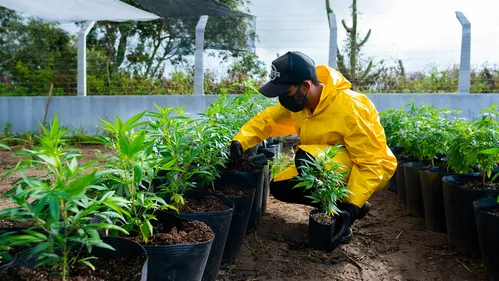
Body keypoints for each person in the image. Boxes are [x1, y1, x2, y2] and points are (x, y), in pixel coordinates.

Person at [229, 51, 397, 246]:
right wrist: (240, 142)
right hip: (329, 164)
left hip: (374, 168)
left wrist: (351, 208)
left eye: (285, 93)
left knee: (305, 159)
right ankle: (340, 206)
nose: (282, 100)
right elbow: (268, 119)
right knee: (280, 186)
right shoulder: (302, 103)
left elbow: (370, 162)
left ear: (306, 86)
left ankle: (348, 208)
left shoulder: (350, 107)